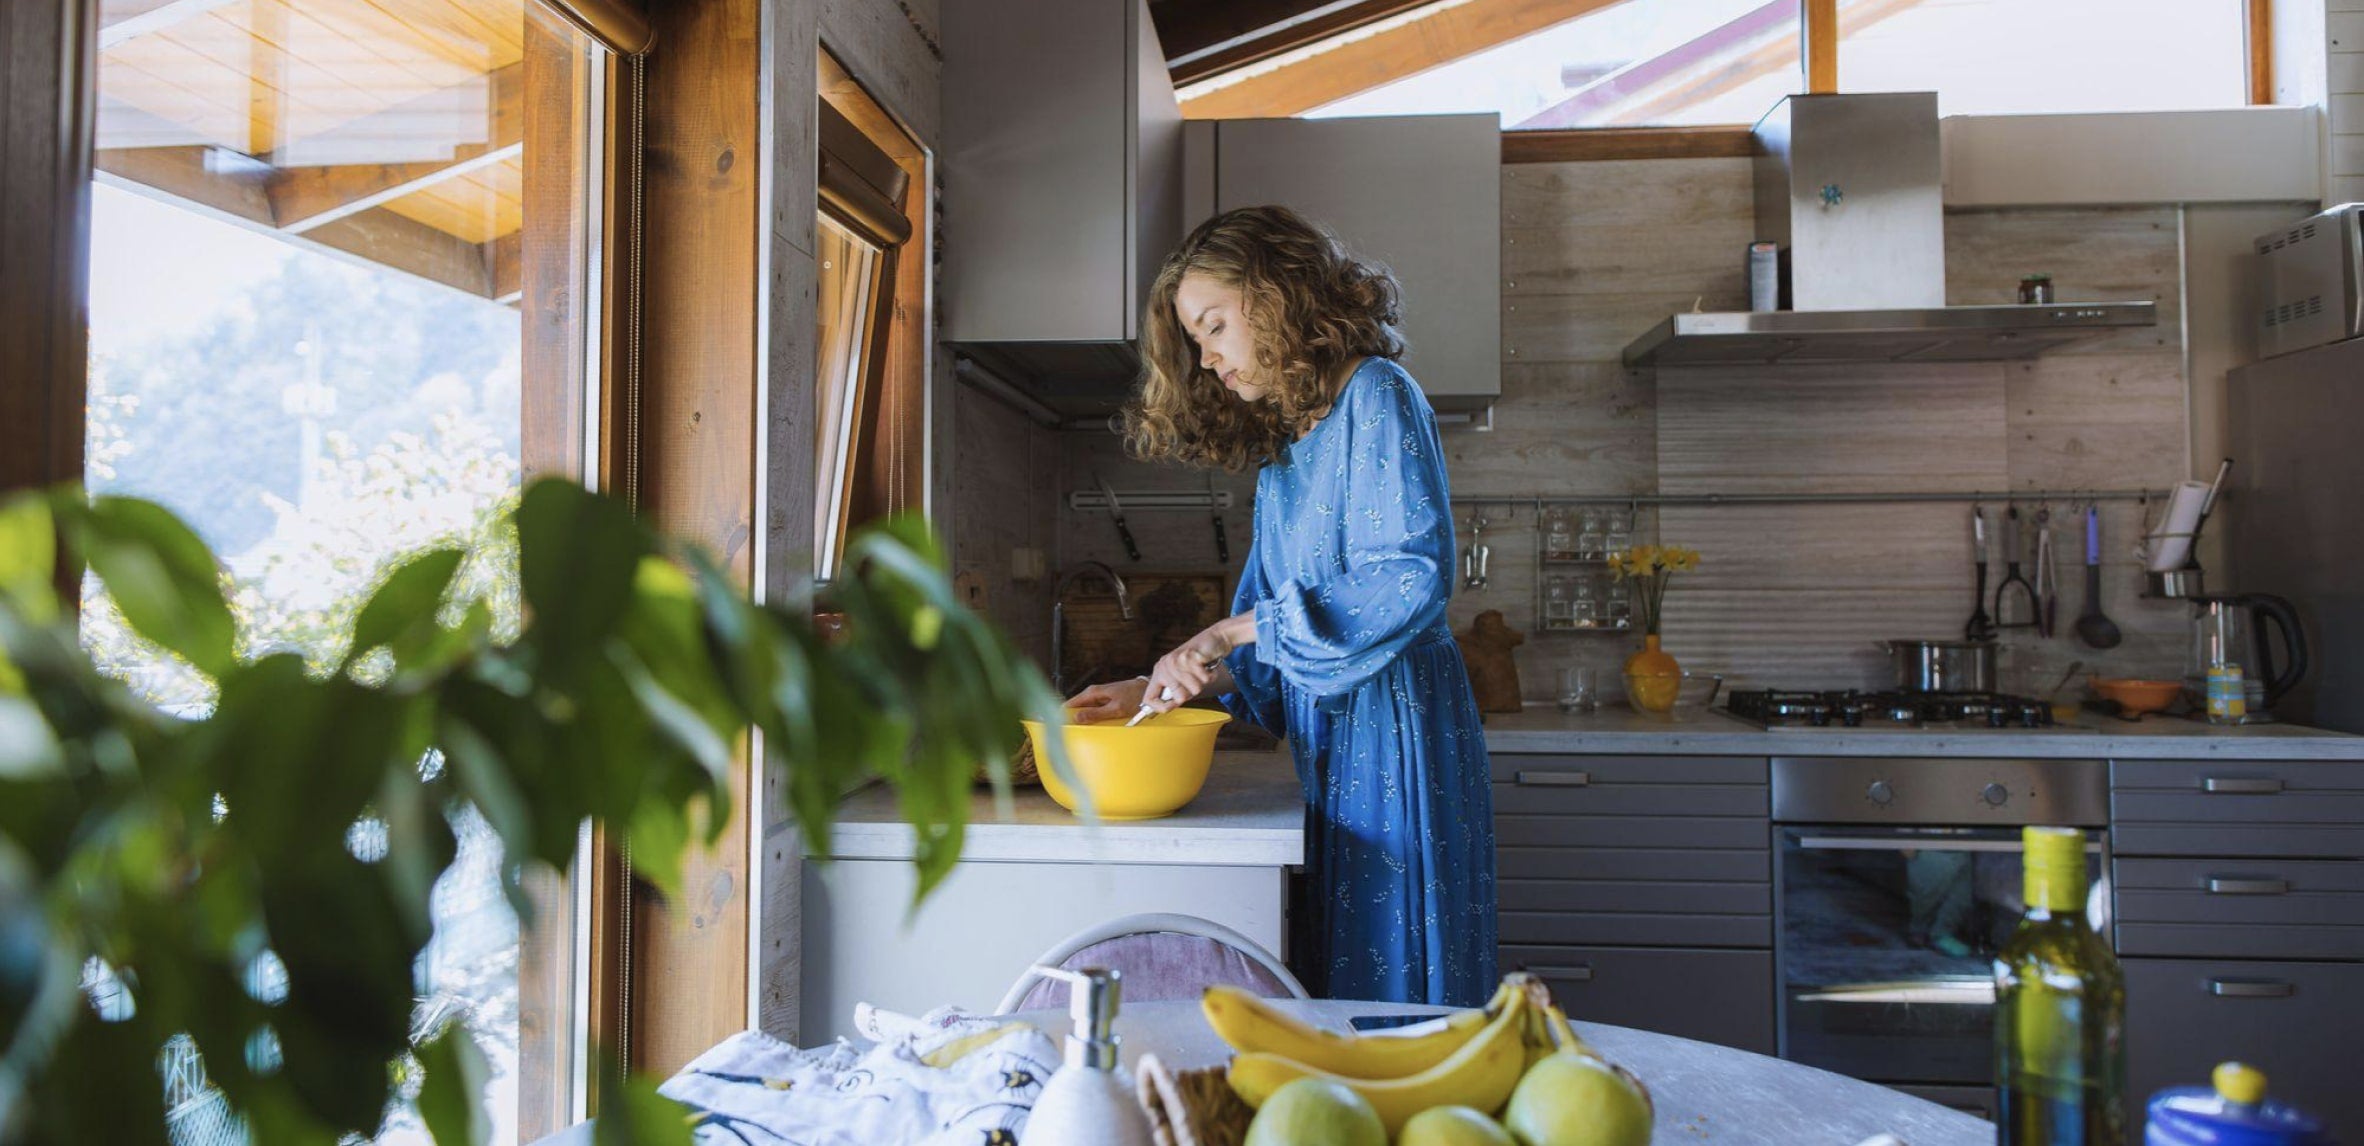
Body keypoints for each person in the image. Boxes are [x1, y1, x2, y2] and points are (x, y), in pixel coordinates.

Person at [1063, 205, 1497, 1007]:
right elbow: (1271, 646)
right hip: (1337, 746)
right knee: (1348, 970)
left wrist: (1222, 630)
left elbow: (1408, 577)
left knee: (1403, 968)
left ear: (1279, 294)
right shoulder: (1286, 454)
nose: (1210, 358)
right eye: (1196, 342)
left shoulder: (1379, 394)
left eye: (1216, 325)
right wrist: (1160, 685)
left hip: (1399, 734)